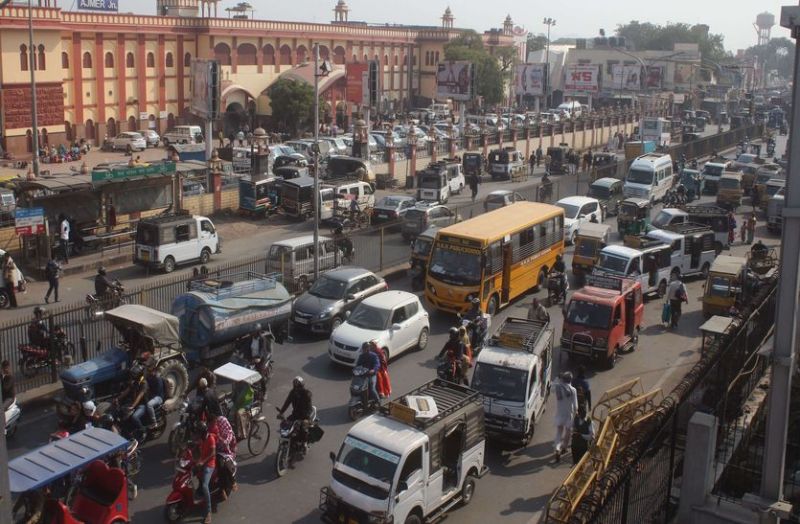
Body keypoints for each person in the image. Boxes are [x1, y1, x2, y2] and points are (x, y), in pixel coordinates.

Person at [116, 364, 148, 441]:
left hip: (142, 405)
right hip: (133, 403)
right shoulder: (135, 382)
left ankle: (143, 431)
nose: (133, 376)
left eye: (134, 374)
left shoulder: (144, 384)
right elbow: (127, 391)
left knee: (134, 417)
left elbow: (139, 396)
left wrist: (133, 406)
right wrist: (118, 398)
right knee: (120, 412)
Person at [209, 413, 237, 496]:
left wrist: (219, 438)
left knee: (221, 465)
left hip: (224, 451)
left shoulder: (222, 425)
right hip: (212, 450)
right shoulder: (209, 428)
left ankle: (229, 484)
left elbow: (227, 441)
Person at [553, 371, 578, 463]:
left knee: (559, 432)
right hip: (569, 414)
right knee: (568, 432)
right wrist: (576, 414)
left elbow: (552, 386)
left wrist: (558, 379)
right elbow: (576, 406)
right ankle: (564, 447)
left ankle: (557, 448)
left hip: (560, 413)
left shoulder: (558, 387)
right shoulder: (573, 390)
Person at [196, 421, 216, 524]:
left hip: (209, 464)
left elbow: (213, 453)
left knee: (204, 485)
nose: (198, 435)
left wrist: (203, 461)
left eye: (199, 433)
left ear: (203, 433)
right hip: (202, 461)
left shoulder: (210, 439)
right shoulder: (202, 439)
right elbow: (198, 447)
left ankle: (208, 512)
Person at [135, 362, 165, 430]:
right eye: (148, 370)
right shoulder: (148, 377)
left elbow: (156, 392)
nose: (148, 372)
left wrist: (147, 395)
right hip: (152, 395)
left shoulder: (157, 379)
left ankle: (154, 422)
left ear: (154, 371)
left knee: (149, 404)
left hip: (158, 397)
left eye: (150, 371)